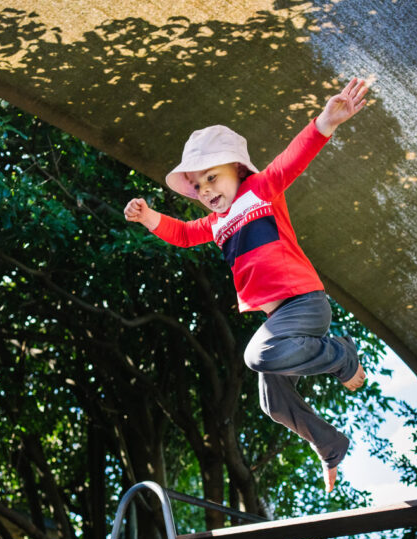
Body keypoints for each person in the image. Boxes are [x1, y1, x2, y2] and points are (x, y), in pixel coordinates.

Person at [123, 78, 370, 492]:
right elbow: (183, 234)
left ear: (236, 170)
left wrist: (325, 121)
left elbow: (290, 161)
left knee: (258, 354)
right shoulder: (216, 223)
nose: (207, 191)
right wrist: (149, 218)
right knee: (271, 402)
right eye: (199, 187)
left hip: (305, 302)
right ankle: (330, 446)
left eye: (213, 178)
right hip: (281, 318)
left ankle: (342, 354)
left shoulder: (260, 190)